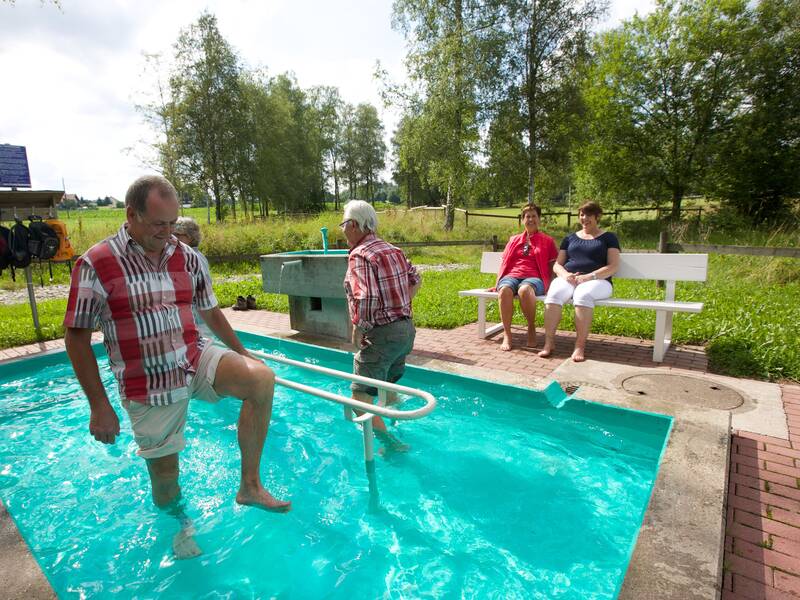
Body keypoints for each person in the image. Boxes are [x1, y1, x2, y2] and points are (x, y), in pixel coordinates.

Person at [63, 175, 290, 558]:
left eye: (172, 224)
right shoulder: (97, 263)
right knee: (166, 479)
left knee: (261, 380)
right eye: (158, 225)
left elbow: (210, 311)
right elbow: (76, 338)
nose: (168, 234)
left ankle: (249, 485)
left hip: (193, 357)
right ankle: (179, 524)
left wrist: (244, 353)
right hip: (148, 381)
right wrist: (98, 406)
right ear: (131, 214)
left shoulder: (186, 256)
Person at [341, 200, 421, 453]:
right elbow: (415, 278)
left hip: (383, 334)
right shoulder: (392, 249)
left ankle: (392, 444)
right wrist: (399, 305)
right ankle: (396, 425)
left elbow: (367, 297)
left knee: (359, 401)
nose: (342, 230)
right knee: (388, 390)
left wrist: (359, 327)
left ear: (354, 225)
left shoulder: (360, 254)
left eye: (343, 224)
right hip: (406, 331)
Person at [537, 201, 621, 362]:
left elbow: (613, 266)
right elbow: (557, 264)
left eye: (589, 215)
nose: (585, 218)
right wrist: (565, 275)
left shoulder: (609, 238)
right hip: (570, 278)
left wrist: (589, 277)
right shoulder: (570, 238)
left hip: (599, 281)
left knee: (582, 295)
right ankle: (549, 343)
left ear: (597, 217)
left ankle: (579, 346)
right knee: (554, 294)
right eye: (582, 214)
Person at [492, 203, 558, 351]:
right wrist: (498, 282)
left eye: (534, 216)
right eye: (527, 216)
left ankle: (531, 327)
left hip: (534, 278)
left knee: (524, 290)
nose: (531, 219)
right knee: (504, 291)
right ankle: (507, 334)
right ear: (522, 220)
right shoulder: (513, 240)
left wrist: (552, 285)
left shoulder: (547, 241)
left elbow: (553, 265)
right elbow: (504, 263)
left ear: (539, 219)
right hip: (512, 275)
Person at [173, 216, 214, 340]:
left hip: (198, 320)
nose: (172, 238)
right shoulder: (196, 256)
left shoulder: (191, 258)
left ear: (189, 238)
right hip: (199, 319)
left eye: (177, 234)